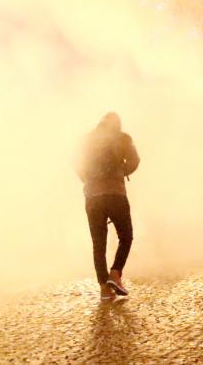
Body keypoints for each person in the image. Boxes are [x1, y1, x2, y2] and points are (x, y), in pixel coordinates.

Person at [78, 112, 140, 300]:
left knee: (98, 244)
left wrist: (88, 181)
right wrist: (121, 171)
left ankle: (104, 289)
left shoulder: (87, 140)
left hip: (92, 198)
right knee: (126, 236)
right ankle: (115, 274)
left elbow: (77, 164)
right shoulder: (123, 138)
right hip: (115, 194)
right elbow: (135, 160)